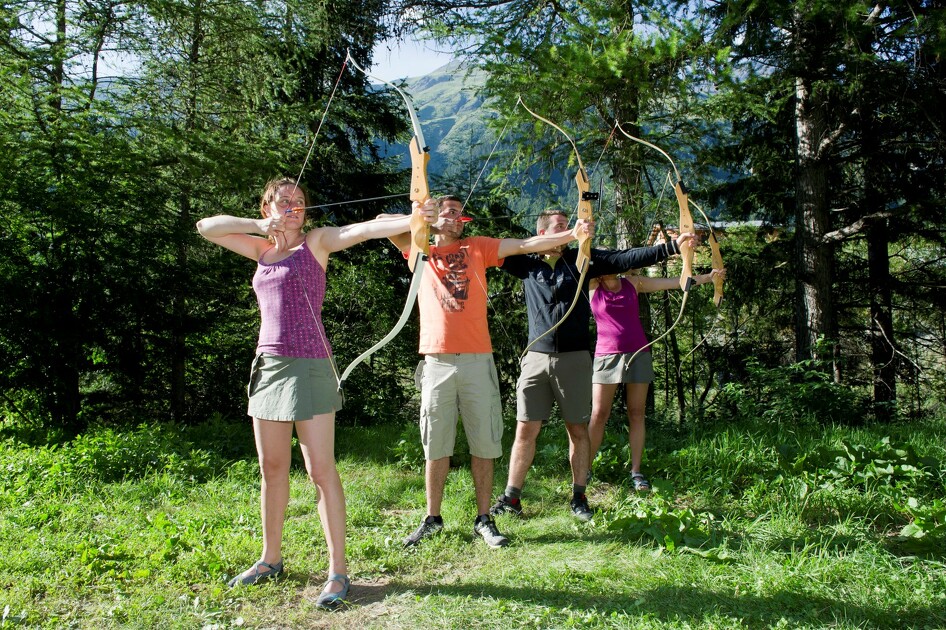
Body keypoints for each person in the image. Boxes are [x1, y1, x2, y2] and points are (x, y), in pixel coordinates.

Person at [195, 177, 434, 609]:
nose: (294, 206)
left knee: (320, 470)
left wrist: (416, 217)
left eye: (300, 201)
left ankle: (338, 571)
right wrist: (259, 223)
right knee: (271, 468)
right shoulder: (260, 249)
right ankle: (270, 559)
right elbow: (205, 226)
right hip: (268, 366)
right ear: (268, 204)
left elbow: (361, 230)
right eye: (285, 200)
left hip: (310, 366)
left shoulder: (316, 242)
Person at [387, 195, 592, 548]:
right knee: (436, 444)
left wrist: (571, 236)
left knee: (484, 442)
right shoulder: (419, 247)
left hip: (478, 359)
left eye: (458, 214)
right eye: (447, 211)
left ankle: (484, 518)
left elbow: (528, 243)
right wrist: (421, 217)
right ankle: (432, 517)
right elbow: (383, 223)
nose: (454, 217)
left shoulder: (478, 247)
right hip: (437, 361)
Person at [491, 209, 696, 521]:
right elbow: (498, 249)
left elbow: (625, 259)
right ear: (544, 233)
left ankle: (579, 495)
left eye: (569, 224)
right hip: (535, 358)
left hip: (574, 358)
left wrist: (671, 246)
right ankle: (512, 497)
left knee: (577, 428)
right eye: (561, 226)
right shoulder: (526, 262)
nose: (570, 230)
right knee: (525, 430)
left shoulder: (582, 259)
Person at [587, 267, 726, 492]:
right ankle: (584, 468)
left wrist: (709, 278)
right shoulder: (592, 285)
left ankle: (636, 471)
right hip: (606, 356)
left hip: (638, 353)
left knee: (636, 413)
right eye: (605, 261)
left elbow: (674, 282)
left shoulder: (633, 283)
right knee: (599, 414)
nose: (610, 266)